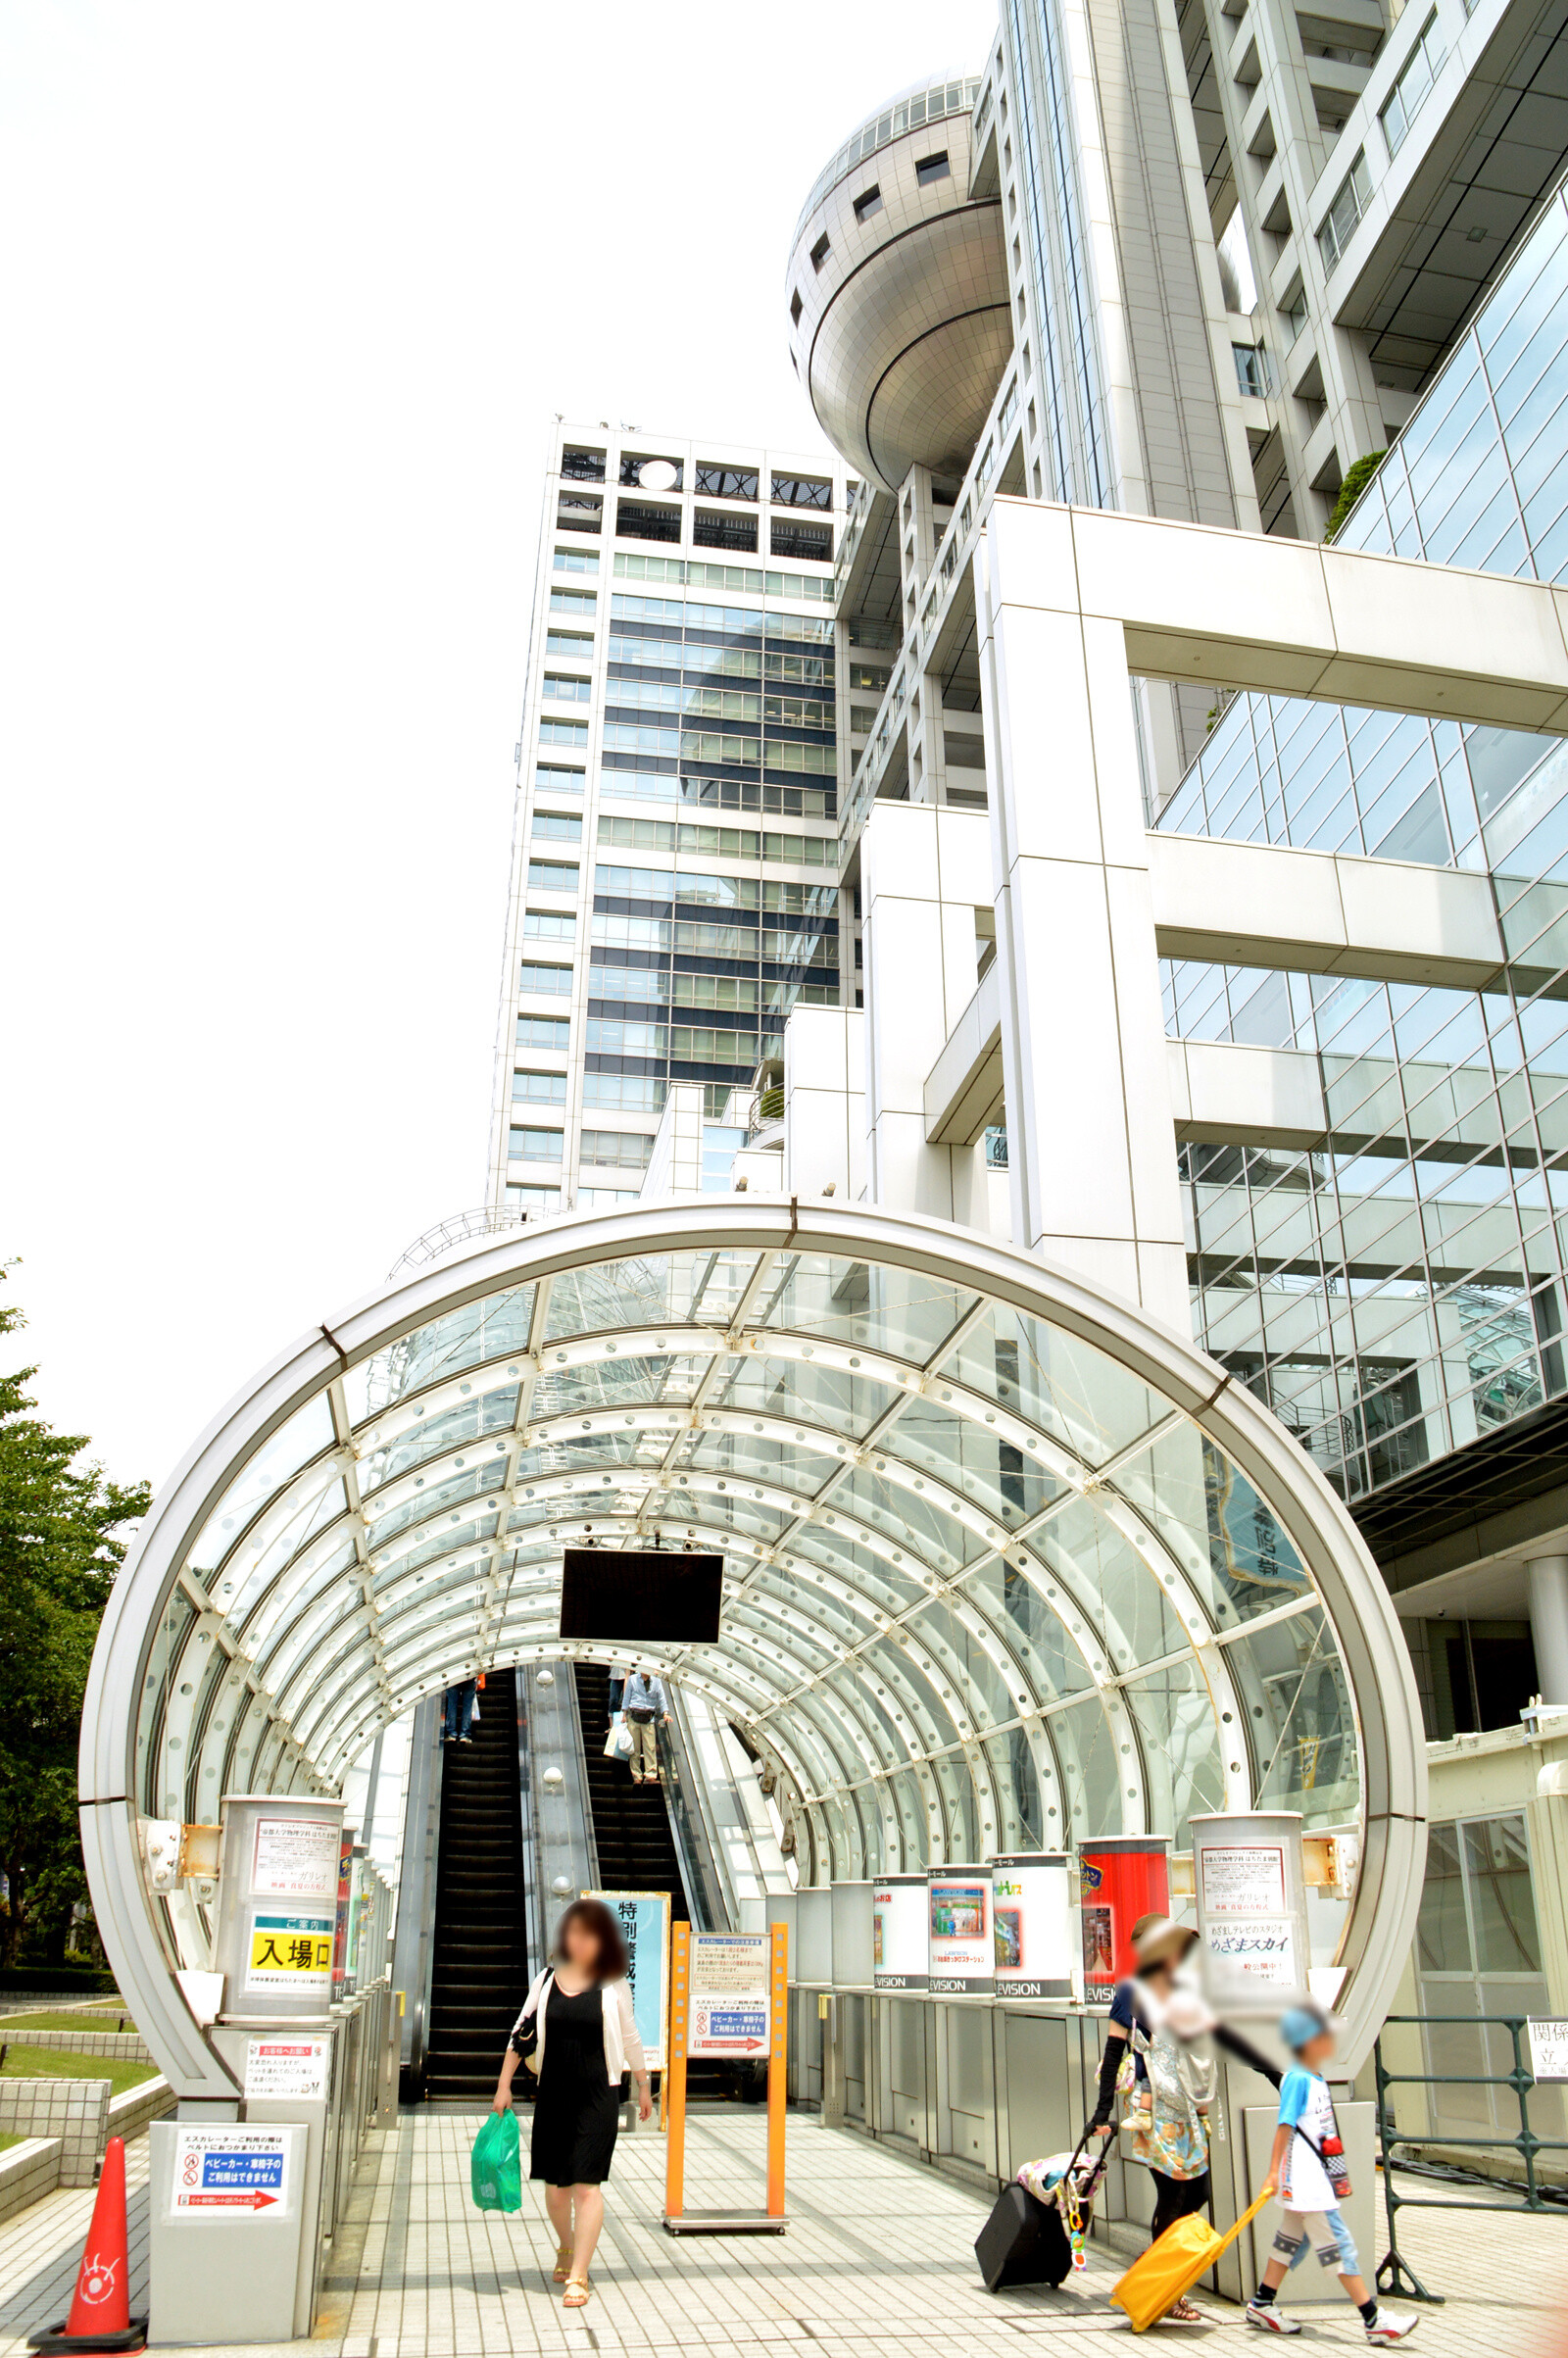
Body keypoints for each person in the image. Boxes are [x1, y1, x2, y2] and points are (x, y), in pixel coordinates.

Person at [492, 1896, 651, 2309]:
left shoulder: (613, 1984)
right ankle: (566, 2244)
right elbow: (521, 2032)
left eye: (589, 1935)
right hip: (554, 2093)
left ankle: (579, 2272)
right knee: (557, 2190)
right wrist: (503, 2086)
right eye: (574, 1933)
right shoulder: (546, 1980)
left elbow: (630, 2037)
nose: (580, 1941)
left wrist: (643, 2083)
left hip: (599, 2096)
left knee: (586, 2186)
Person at [1247, 2003, 1416, 2343]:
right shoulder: (1298, 2078)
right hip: (1307, 2184)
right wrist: (1272, 2172)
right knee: (1339, 2246)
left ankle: (1262, 2303)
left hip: (1307, 2181)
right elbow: (1285, 2125)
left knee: (1290, 2241)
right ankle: (1373, 2320)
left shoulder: (1312, 2077)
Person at [1089, 1914, 1211, 2321]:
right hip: (1153, 2110)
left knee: (1199, 2192)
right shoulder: (1132, 1992)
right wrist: (1102, 2111)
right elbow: (1113, 2054)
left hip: (1188, 2108)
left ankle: (1153, 2267)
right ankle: (1167, 2291)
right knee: (1174, 2195)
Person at [621, 1664, 669, 1786]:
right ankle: (636, 1776)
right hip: (634, 1716)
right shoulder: (633, 1679)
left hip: (649, 1718)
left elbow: (662, 1698)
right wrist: (624, 1714)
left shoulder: (656, 1681)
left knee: (650, 1747)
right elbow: (627, 1697)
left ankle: (650, 1774)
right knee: (634, 1749)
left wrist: (665, 1713)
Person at [442, 1678, 478, 1744]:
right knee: (467, 1707)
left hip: (454, 1678)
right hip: (469, 1678)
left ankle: (451, 1734)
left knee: (452, 1705)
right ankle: (464, 1735)